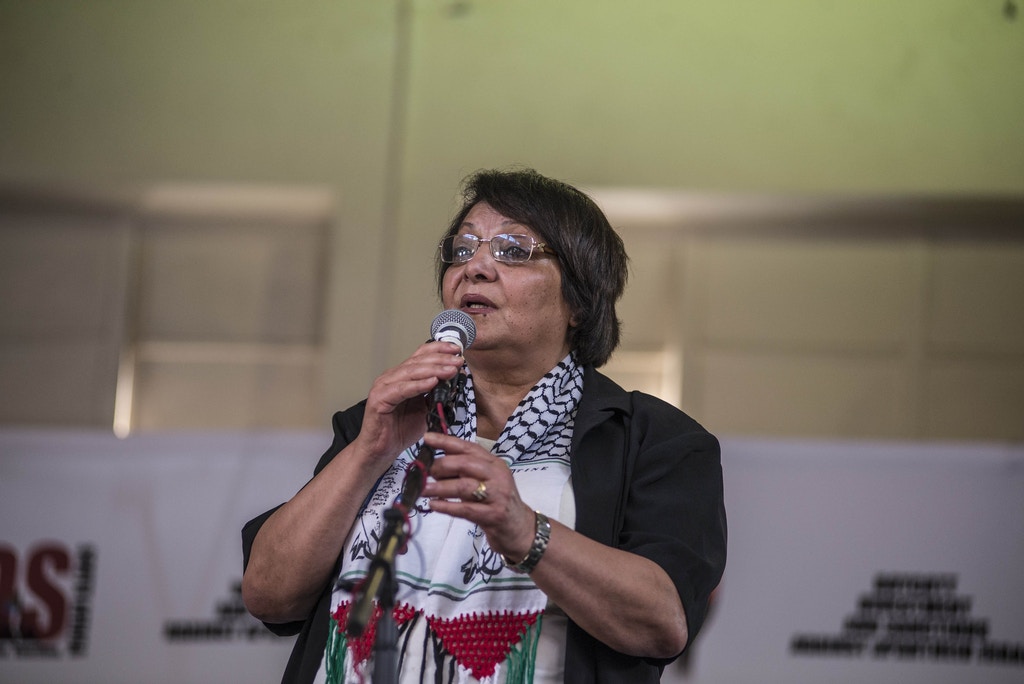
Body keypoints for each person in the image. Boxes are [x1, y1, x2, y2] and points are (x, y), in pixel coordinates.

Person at [241, 168, 727, 684]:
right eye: (463, 248)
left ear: (580, 302)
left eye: (514, 250)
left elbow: (662, 623)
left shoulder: (655, 440)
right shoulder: (383, 421)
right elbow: (268, 594)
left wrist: (525, 531)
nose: (475, 267)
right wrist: (367, 452)